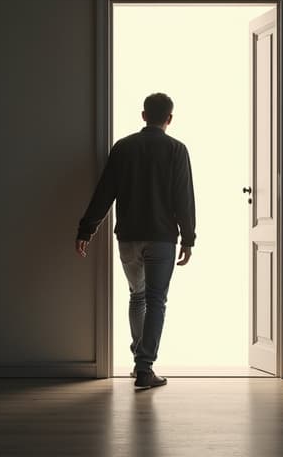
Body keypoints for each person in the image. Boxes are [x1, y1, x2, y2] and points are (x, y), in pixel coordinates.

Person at [74, 92, 196, 389]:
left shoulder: (123, 148)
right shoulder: (177, 150)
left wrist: (86, 230)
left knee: (137, 297)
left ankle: (139, 362)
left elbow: (105, 192)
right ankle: (144, 368)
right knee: (156, 301)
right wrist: (188, 238)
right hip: (162, 239)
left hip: (128, 238)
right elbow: (184, 198)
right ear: (169, 119)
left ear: (143, 115)